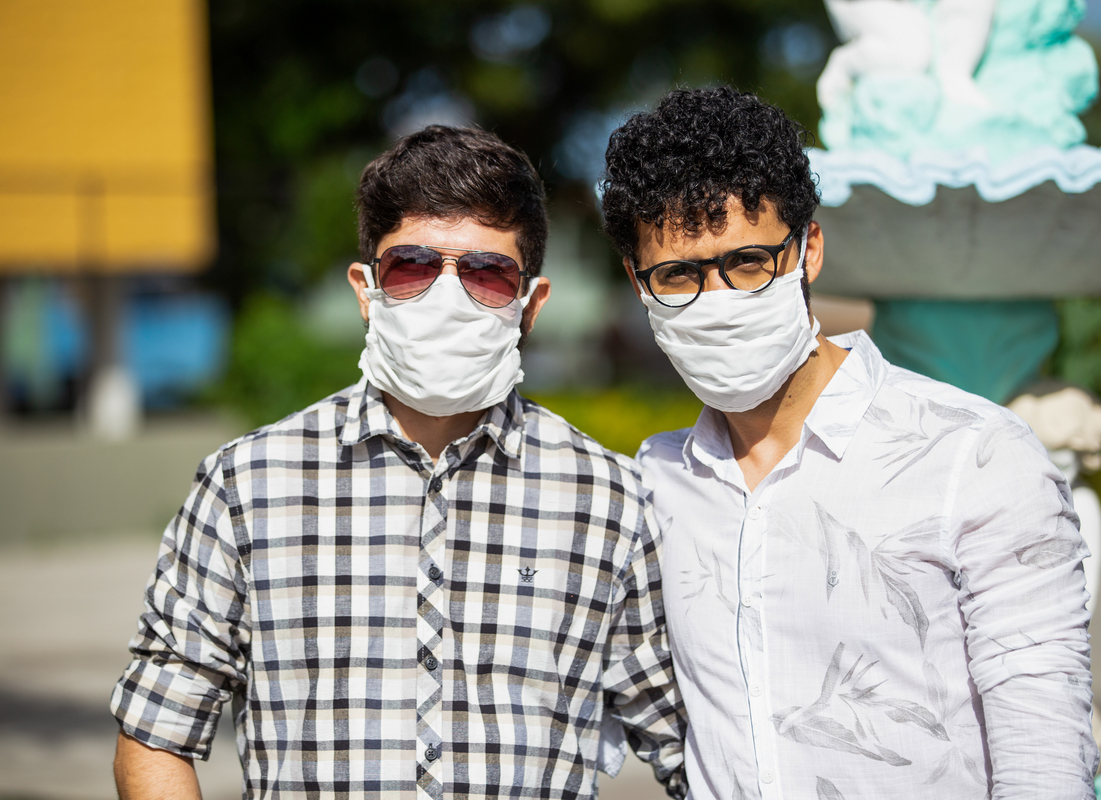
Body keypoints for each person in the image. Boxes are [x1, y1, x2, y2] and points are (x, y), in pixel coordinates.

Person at [111, 126, 687, 800]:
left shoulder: (609, 500)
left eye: (486, 274)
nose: (447, 296)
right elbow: (156, 733)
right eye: (411, 267)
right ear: (366, 289)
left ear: (530, 305)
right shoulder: (246, 486)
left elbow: (690, 747)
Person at [600, 87, 1097, 799]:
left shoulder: (975, 455)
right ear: (638, 281)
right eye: (679, 274)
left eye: (748, 261)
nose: (718, 299)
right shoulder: (655, 481)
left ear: (808, 250)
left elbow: (1044, 757)